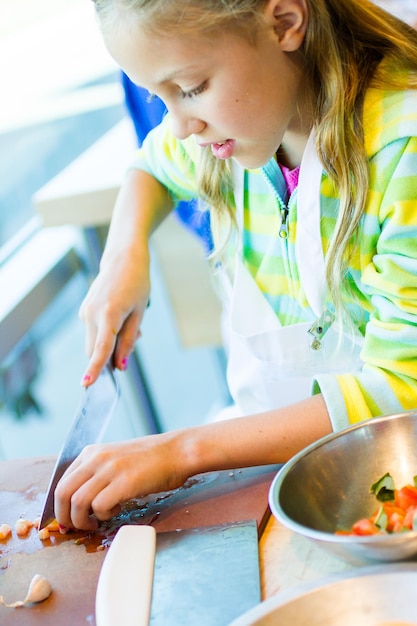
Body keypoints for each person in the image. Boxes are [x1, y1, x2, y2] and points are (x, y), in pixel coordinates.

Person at [55, 0, 417, 532]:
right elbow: (152, 166)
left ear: (285, 23)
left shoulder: (402, 150)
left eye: (191, 87)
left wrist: (179, 453)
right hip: (292, 484)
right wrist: (123, 256)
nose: (179, 126)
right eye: (159, 97)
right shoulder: (232, 133)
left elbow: (399, 388)